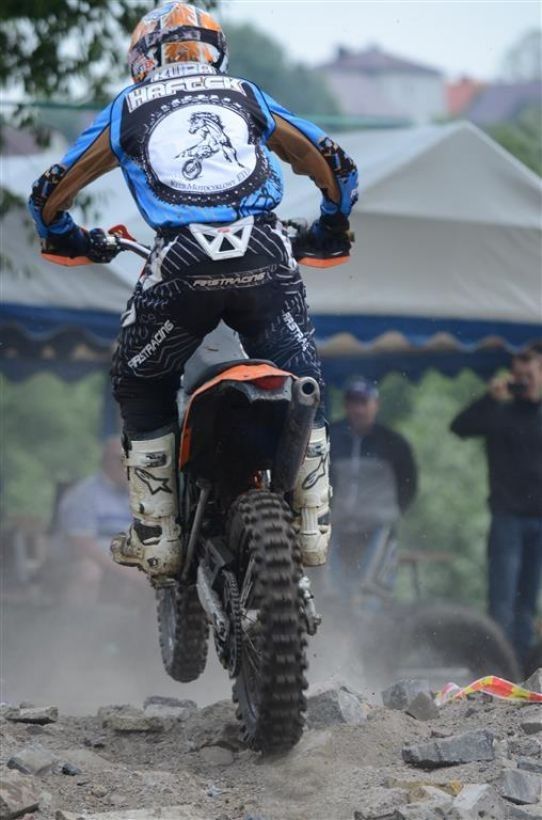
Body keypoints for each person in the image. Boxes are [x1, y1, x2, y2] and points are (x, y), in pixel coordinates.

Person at [28, 3, 358, 580]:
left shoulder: (128, 107)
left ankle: (156, 534)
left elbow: (48, 193)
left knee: (139, 380)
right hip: (264, 253)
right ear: (216, 51)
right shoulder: (245, 94)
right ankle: (313, 521)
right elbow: (333, 161)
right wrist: (332, 226)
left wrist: (66, 236)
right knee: (302, 371)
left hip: (181, 263)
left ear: (141, 58)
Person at [450, 349, 542, 666]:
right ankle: (497, 666)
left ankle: (523, 669)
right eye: (518, 375)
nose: (523, 381)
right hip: (507, 519)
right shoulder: (499, 412)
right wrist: (490, 398)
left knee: (527, 603)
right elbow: (459, 426)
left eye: (529, 374)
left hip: (539, 520)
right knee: (502, 601)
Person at [330, 377, 418, 596]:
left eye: (364, 402)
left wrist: (395, 511)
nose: (358, 409)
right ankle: (337, 615)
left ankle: (373, 616)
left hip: (378, 526)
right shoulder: (332, 438)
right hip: (339, 525)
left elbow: (408, 482)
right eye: (353, 403)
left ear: (375, 405)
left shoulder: (393, 442)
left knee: (374, 588)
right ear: (346, 406)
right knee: (334, 588)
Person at [56, 437, 142, 604]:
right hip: (88, 560)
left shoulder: (137, 495)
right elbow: (83, 546)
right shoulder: (84, 495)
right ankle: (79, 618)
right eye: (122, 459)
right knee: (89, 571)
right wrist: (126, 571)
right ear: (107, 462)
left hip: (125, 559)